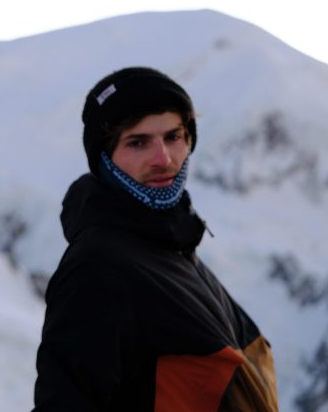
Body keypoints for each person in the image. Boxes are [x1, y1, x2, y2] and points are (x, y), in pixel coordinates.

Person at [33, 67, 279, 411]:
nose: (163, 159)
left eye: (173, 136)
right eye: (138, 142)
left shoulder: (172, 244)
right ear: (104, 156)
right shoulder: (97, 268)